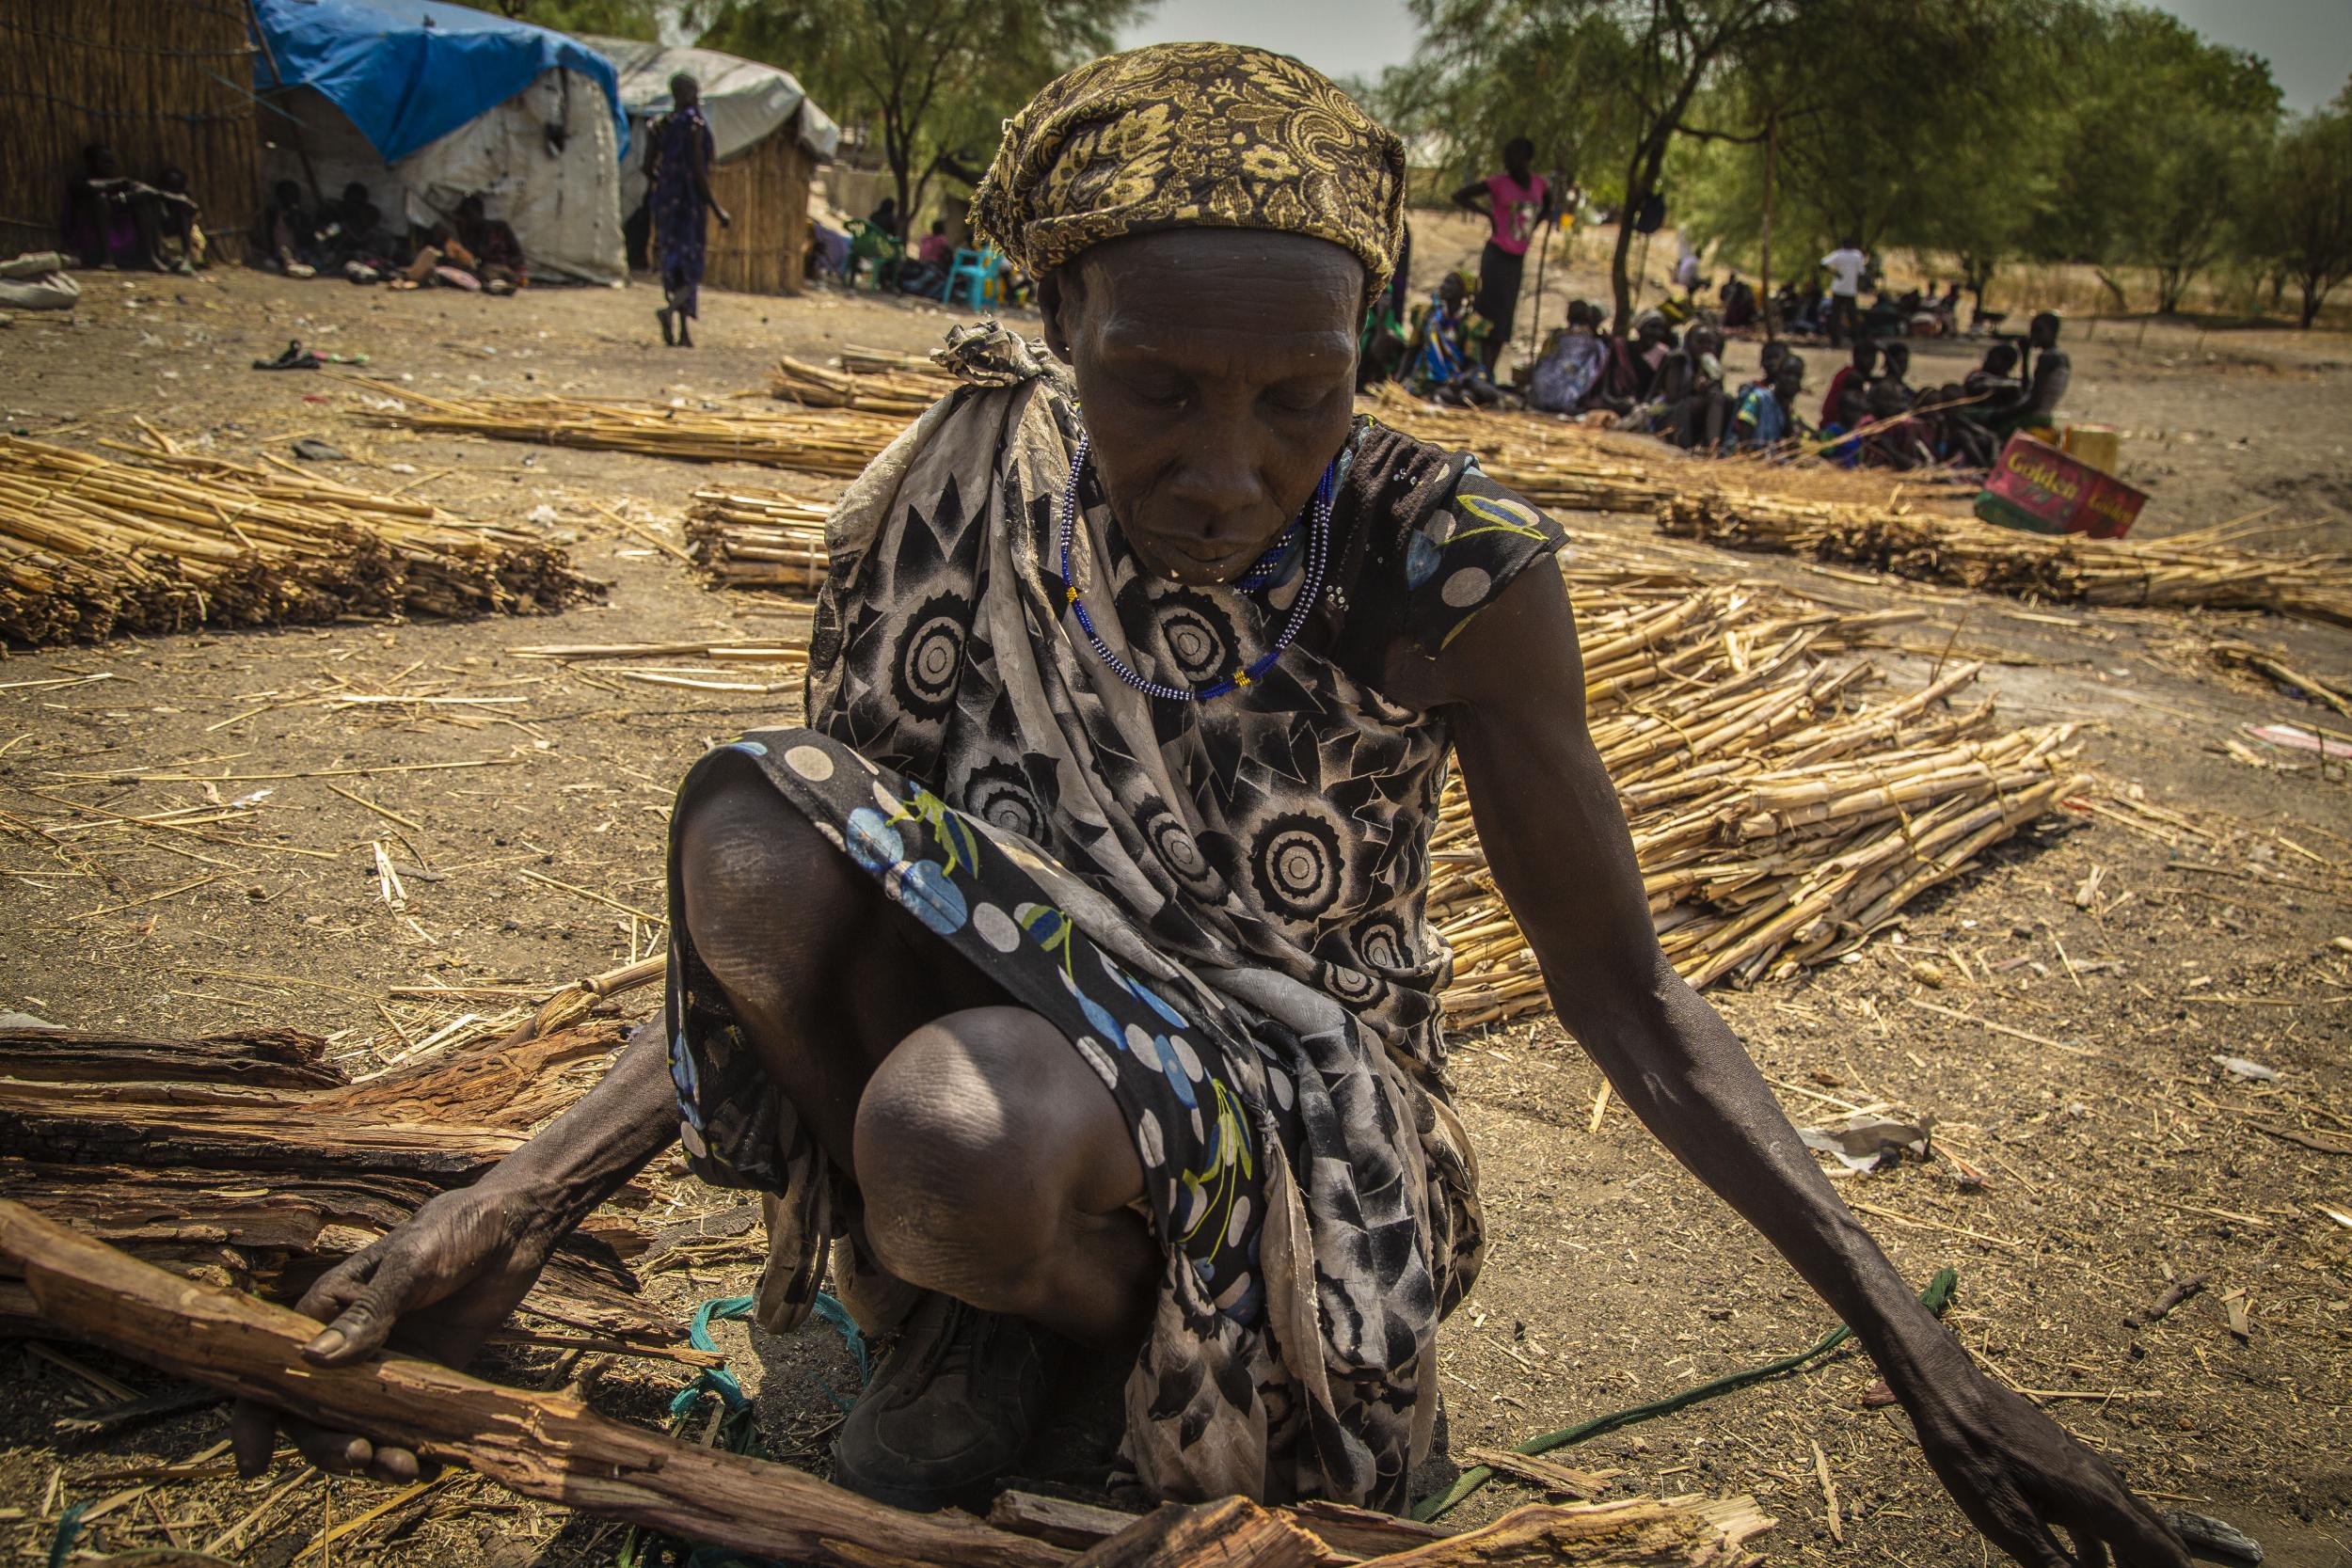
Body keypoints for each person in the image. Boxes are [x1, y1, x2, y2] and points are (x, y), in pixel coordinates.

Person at [227, 43, 2193, 1568]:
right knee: (754, 825)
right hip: (1000, 1036)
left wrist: (1926, 1361)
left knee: (957, 1118)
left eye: (1298, 400)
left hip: (1299, 1098)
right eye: (1155, 387)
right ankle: (988, 1319)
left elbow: (1629, 1000)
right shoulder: (949, 488)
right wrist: (505, 1192)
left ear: (1364, 359)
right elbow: (828, 880)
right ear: (1054, 319)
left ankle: (1120, 1327)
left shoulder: (1447, 567)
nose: (1227, 467)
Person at [1452, 135, 1551, 374]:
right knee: (1487, 312)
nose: (1508, 161)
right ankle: (1477, 369)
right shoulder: (1498, 183)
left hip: (1517, 258)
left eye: (1513, 156)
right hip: (1496, 254)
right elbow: (1460, 195)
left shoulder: (1539, 185)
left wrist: (1534, 226)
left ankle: (1490, 371)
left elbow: (1548, 205)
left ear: (1527, 158)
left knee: (1505, 315)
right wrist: (1487, 214)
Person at [650, 73, 732, 346]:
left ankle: (682, 332)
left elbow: (646, 166)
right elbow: (699, 172)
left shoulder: (660, 126)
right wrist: (718, 209)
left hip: (666, 204)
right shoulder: (694, 127)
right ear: (686, 94)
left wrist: (664, 185)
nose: (697, 97)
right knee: (691, 269)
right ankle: (670, 312)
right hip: (688, 206)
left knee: (672, 267)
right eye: (694, 92)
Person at [1527, 299, 1608, 414]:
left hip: (1540, 395)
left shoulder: (1555, 338)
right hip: (1569, 400)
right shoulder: (1596, 345)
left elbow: (1541, 363)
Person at [1728, 352, 1805, 452]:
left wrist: (1787, 407)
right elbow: (1744, 443)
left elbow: (1791, 444)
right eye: (1787, 373)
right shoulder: (1758, 398)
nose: (1792, 379)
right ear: (1777, 374)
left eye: (1797, 376)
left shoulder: (1788, 408)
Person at [1819, 340, 1879, 429]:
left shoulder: (1848, 372)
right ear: (1856, 357)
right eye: (1868, 357)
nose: (1871, 362)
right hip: (1834, 425)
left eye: (1874, 358)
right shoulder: (1853, 377)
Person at [1820, 234, 1867, 347]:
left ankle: (1835, 340)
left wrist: (1835, 273)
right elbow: (1861, 272)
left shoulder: (1838, 254)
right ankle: (1855, 339)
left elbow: (1822, 264)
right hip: (1850, 290)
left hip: (1838, 288)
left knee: (1835, 315)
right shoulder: (1857, 255)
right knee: (1852, 316)